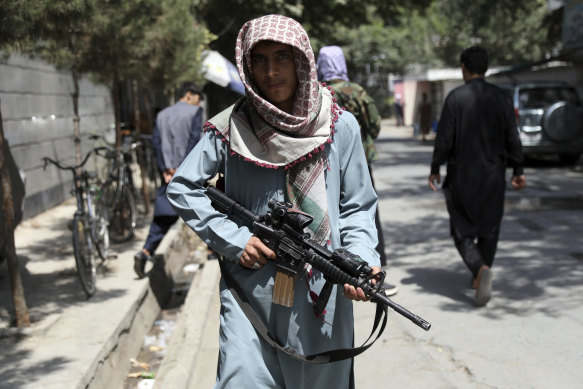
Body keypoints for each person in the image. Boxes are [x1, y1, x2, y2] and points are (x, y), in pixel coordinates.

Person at [167, 15, 380, 389]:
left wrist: (361, 261)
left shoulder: (339, 126)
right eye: (260, 60)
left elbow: (357, 206)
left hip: (322, 297)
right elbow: (183, 187)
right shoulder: (230, 127)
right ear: (247, 67)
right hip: (251, 292)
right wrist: (233, 239)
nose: (271, 71)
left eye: (282, 57)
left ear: (301, 61)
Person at [428, 46, 526, 307]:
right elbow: (512, 136)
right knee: (489, 227)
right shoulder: (502, 98)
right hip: (494, 174)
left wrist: (436, 167)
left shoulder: (455, 98)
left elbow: (445, 139)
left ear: (463, 67)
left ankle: (479, 269)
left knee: (461, 228)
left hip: (462, 175)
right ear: (486, 68)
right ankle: (481, 271)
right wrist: (518, 169)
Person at [316, 45, 398, 297]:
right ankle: (371, 272)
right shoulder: (357, 91)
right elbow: (374, 126)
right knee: (364, 212)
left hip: (323, 166)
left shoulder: (315, 94)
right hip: (358, 162)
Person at [133, 82, 204, 278]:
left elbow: (156, 143)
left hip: (168, 174)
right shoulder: (194, 112)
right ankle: (215, 251)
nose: (199, 103)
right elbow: (193, 141)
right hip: (189, 173)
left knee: (163, 215)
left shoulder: (162, 115)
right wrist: (182, 169)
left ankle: (145, 251)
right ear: (189, 95)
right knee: (205, 209)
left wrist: (165, 170)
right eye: (198, 98)